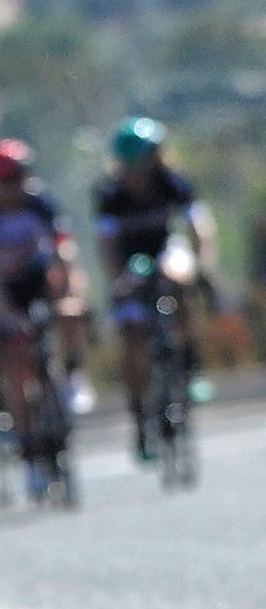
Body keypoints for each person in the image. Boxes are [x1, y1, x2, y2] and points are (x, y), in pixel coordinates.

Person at [0, 139, 94, 494]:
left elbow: (65, 256)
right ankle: (29, 451)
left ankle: (71, 375)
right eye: (4, 181)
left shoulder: (42, 206)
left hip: (41, 283)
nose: (12, 187)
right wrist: (4, 316)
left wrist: (69, 296)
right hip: (5, 291)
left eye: (18, 178)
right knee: (17, 368)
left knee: (70, 313)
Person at [93, 117, 215, 462]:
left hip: (166, 251)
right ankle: (139, 419)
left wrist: (204, 267)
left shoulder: (173, 182)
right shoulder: (109, 194)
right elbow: (106, 245)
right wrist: (117, 281)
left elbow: (199, 227)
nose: (141, 170)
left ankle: (190, 364)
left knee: (178, 279)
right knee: (130, 336)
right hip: (129, 263)